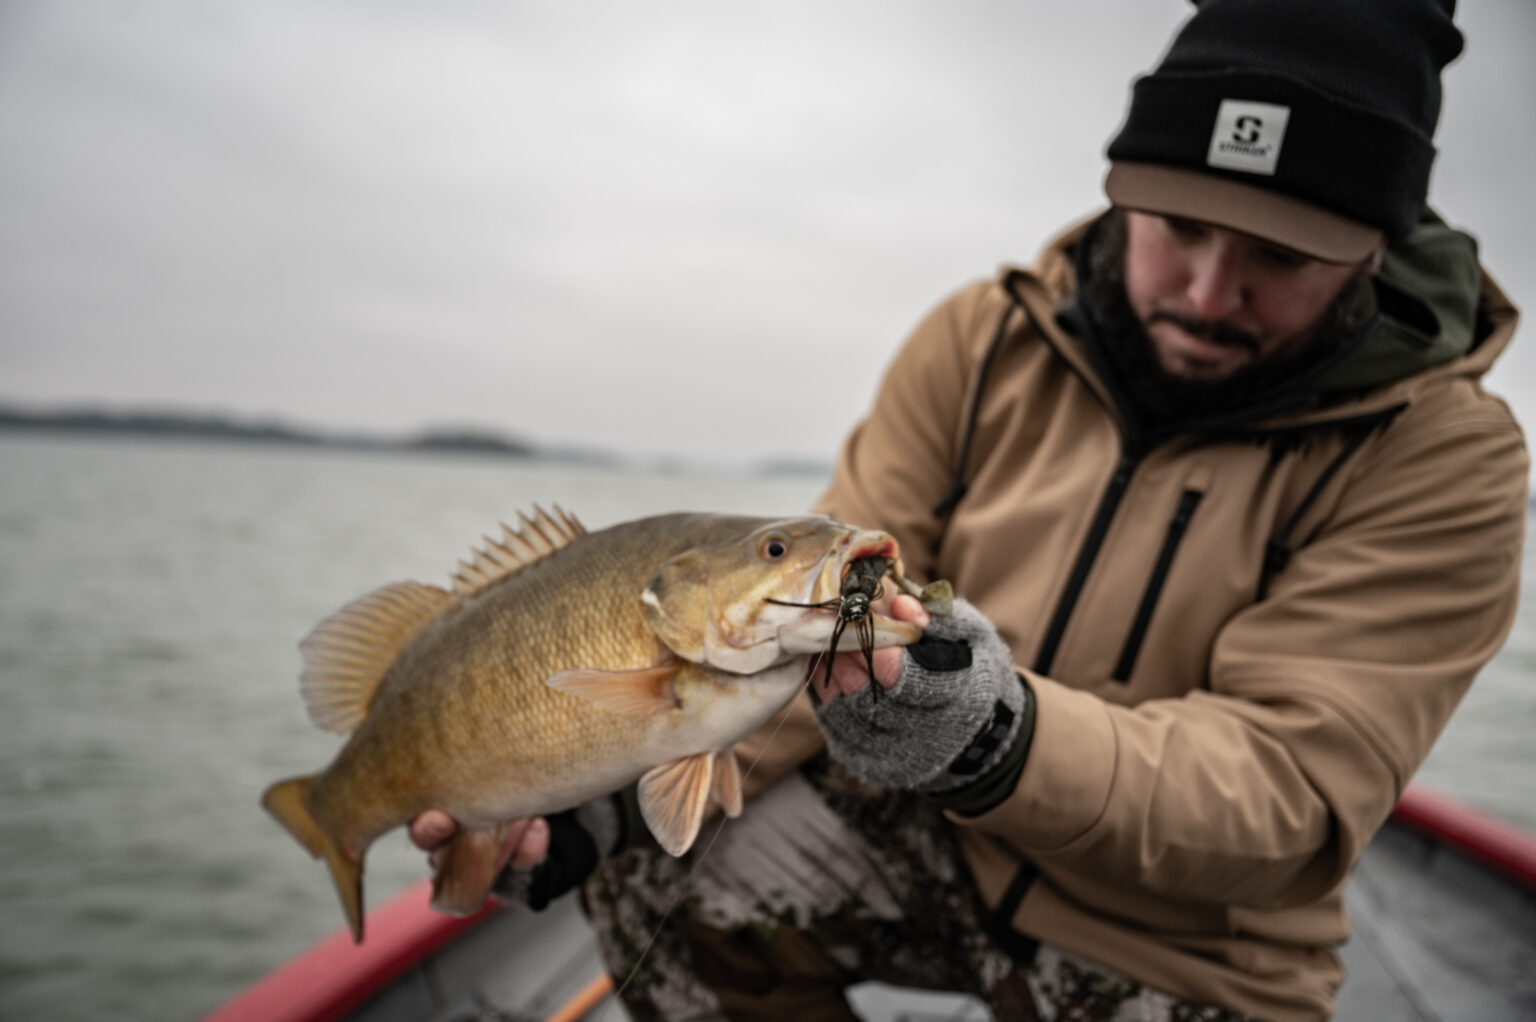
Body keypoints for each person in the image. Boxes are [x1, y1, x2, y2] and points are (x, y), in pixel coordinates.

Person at [412, 0, 1527, 1018]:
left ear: (1375, 250)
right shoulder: (981, 340)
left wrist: (1001, 734)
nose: (1206, 292)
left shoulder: (1447, 457)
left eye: (1279, 255)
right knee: (650, 869)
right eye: (1179, 226)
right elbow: (794, 643)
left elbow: (1287, 794)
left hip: (1192, 944)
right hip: (931, 844)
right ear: (1124, 191)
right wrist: (601, 797)